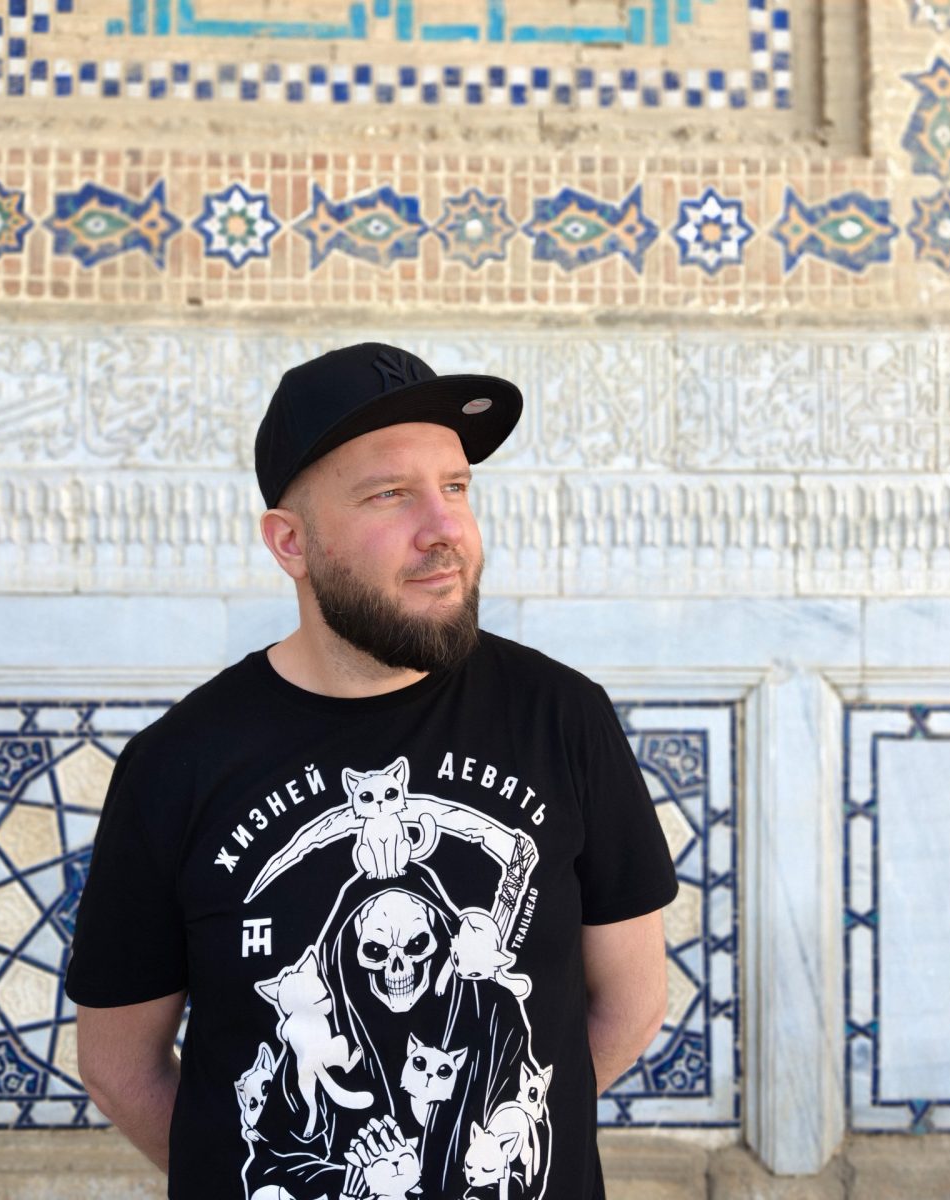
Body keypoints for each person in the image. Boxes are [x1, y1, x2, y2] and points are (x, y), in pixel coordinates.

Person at [64, 342, 678, 1200]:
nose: (444, 529)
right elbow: (118, 1065)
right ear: (291, 542)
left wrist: (473, 1137)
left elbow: (631, 1007)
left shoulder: (562, 718)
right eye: (390, 494)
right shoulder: (178, 764)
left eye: (455, 487)